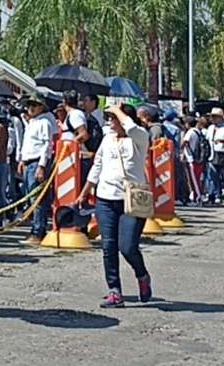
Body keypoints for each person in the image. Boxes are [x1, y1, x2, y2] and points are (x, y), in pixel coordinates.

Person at [78, 104, 153, 309]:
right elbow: (97, 165)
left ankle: (142, 275)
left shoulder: (139, 138)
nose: (110, 122)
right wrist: (85, 191)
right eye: (108, 118)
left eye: (113, 118)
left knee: (127, 247)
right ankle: (115, 291)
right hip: (106, 199)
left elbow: (132, 127)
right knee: (108, 246)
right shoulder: (107, 139)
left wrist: (119, 110)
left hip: (132, 199)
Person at [17, 94, 56, 245]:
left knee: (37, 199)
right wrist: (22, 160)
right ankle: (37, 228)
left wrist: (41, 165)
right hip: (28, 162)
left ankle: (38, 231)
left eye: (34, 105)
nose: (31, 108)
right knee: (31, 196)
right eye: (29, 105)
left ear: (41, 107)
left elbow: (47, 145)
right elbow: (28, 144)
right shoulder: (32, 122)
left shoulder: (44, 122)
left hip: (36, 162)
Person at [206, 108, 224, 205]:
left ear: (220, 117)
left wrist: (222, 141)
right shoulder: (211, 128)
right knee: (213, 176)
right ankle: (215, 195)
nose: (212, 118)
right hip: (213, 155)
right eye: (212, 116)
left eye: (215, 116)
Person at [181, 117, 207, 205]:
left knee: (194, 180)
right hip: (199, 158)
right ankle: (197, 196)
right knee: (197, 178)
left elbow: (184, 143)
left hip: (192, 159)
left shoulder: (190, 132)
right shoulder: (198, 132)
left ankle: (197, 198)